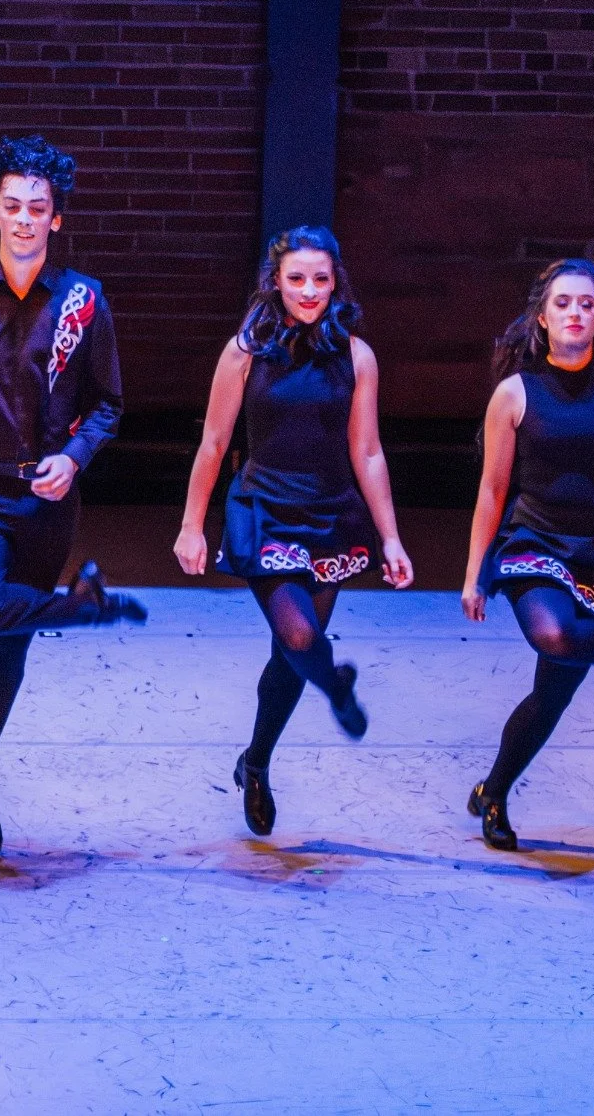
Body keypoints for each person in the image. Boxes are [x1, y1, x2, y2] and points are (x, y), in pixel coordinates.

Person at [0, 134, 144, 855]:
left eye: (36, 208)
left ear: (56, 220)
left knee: (7, 647)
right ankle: (79, 610)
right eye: (11, 206)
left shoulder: (83, 302)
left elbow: (109, 403)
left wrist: (74, 459)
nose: (23, 218)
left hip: (47, 502)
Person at [172, 225, 413, 836]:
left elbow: (369, 452)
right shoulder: (245, 350)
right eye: (297, 278)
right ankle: (333, 686)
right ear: (275, 282)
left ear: (337, 284)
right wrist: (192, 524)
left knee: (290, 653)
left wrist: (390, 538)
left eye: (321, 279)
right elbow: (214, 441)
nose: (309, 291)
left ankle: (254, 763)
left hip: (330, 514)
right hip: (264, 509)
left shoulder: (357, 356)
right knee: (303, 639)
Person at [461, 258, 594, 852]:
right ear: (541, 320)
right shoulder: (515, 394)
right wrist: (474, 572)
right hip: (535, 545)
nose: (576, 313)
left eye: (587, 304)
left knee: (553, 693)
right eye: (563, 304)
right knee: (551, 635)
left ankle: (493, 790)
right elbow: (493, 489)